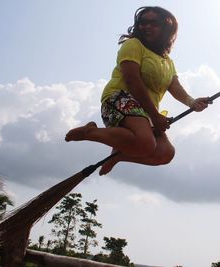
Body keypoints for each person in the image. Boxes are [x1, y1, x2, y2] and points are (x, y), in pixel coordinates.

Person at [65, 6, 211, 175]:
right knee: (145, 143)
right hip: (119, 98)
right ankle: (91, 132)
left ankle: (119, 155)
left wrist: (191, 102)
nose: (146, 26)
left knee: (165, 154)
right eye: (143, 22)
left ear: (166, 29)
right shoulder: (133, 45)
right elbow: (132, 80)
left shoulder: (167, 61)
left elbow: (174, 85)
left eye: (153, 23)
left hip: (145, 110)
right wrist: (155, 116)